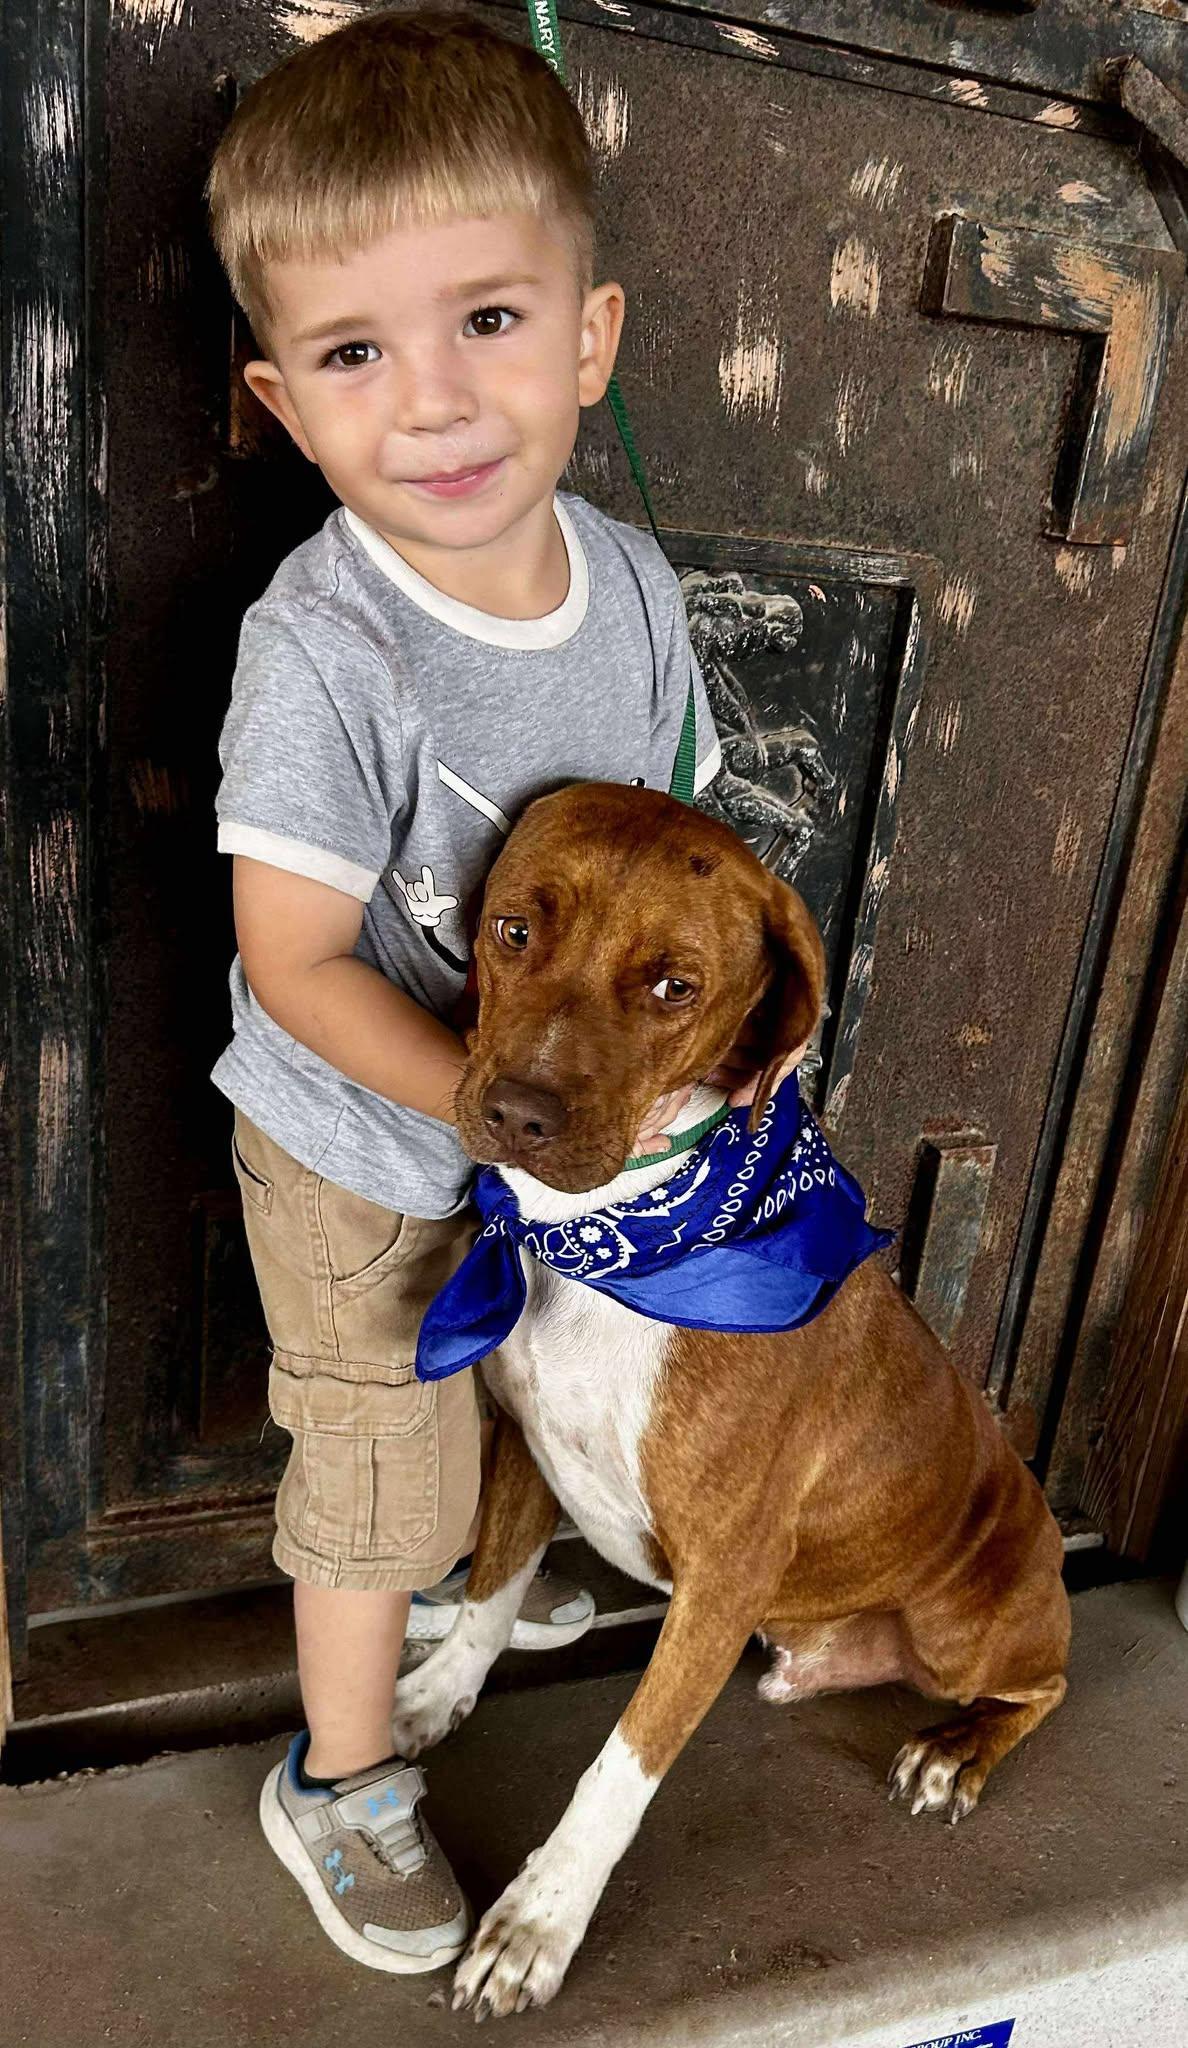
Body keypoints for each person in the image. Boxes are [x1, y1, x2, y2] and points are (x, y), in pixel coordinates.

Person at [204, 8, 724, 1975]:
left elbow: (663, 857)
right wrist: (488, 1119)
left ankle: (450, 1585)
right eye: (355, 354)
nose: (430, 400)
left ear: (589, 333)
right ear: (289, 402)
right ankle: (341, 1777)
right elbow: (297, 957)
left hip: (537, 1143)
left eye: (487, 322)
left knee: (488, 1424)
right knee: (371, 1469)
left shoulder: (641, 587)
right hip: (360, 1152)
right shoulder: (332, 644)